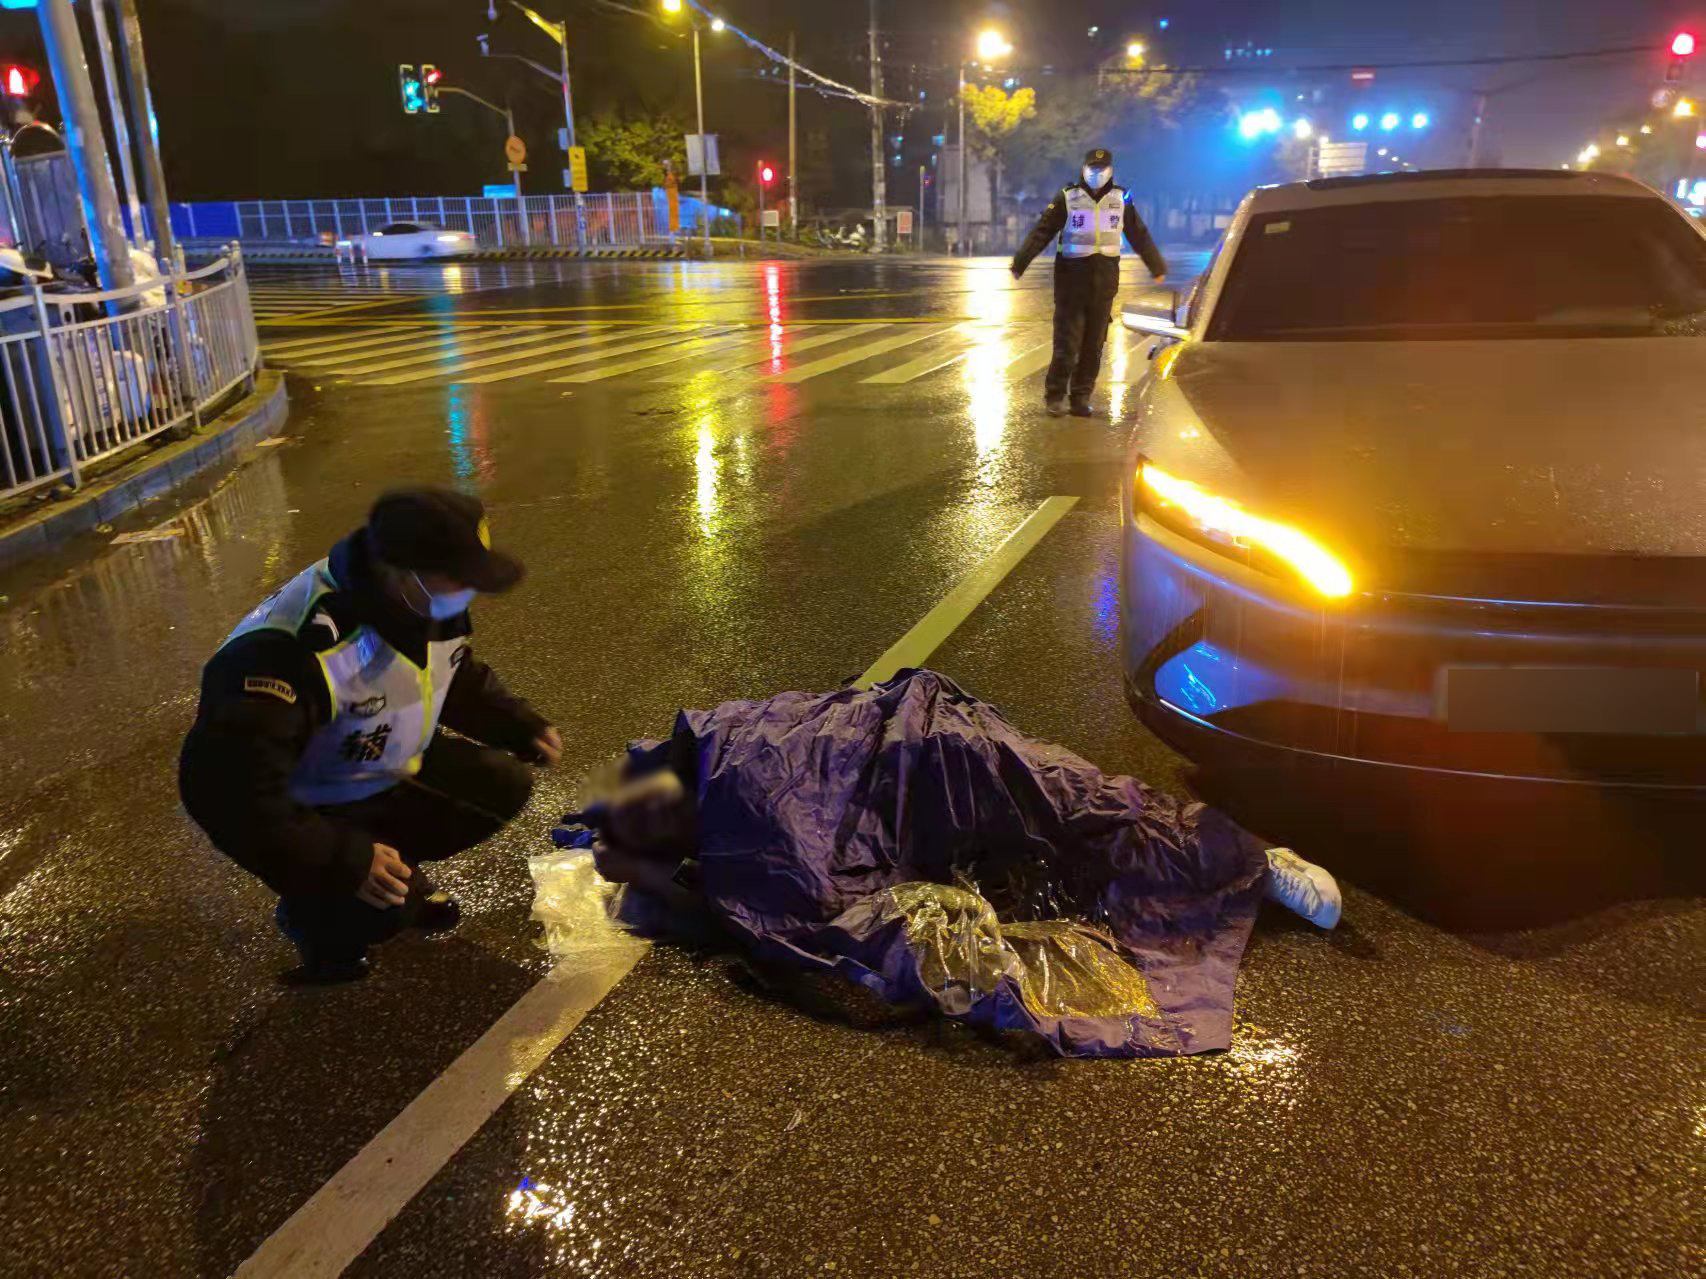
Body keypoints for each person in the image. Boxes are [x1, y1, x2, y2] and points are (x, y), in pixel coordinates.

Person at [180, 488, 562, 983]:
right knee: (373, 903)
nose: (468, 593)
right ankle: (318, 923)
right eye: (459, 579)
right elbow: (227, 793)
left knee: (499, 784)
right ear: (399, 570)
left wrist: (517, 724)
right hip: (308, 803)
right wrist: (345, 860)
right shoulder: (285, 654)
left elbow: (445, 670)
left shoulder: (418, 599)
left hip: (371, 762)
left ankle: (395, 875)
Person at [1010, 147, 1168, 418]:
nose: (1097, 173)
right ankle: (1055, 396)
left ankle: (1080, 398)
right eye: (1093, 168)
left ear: (1111, 170)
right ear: (1083, 169)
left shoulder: (1121, 199)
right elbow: (1042, 231)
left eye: (1102, 168)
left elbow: (1138, 234)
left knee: (1093, 347)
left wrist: (1156, 266)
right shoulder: (1068, 197)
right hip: (1071, 282)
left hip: (1104, 283)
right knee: (1067, 346)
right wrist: (1020, 262)